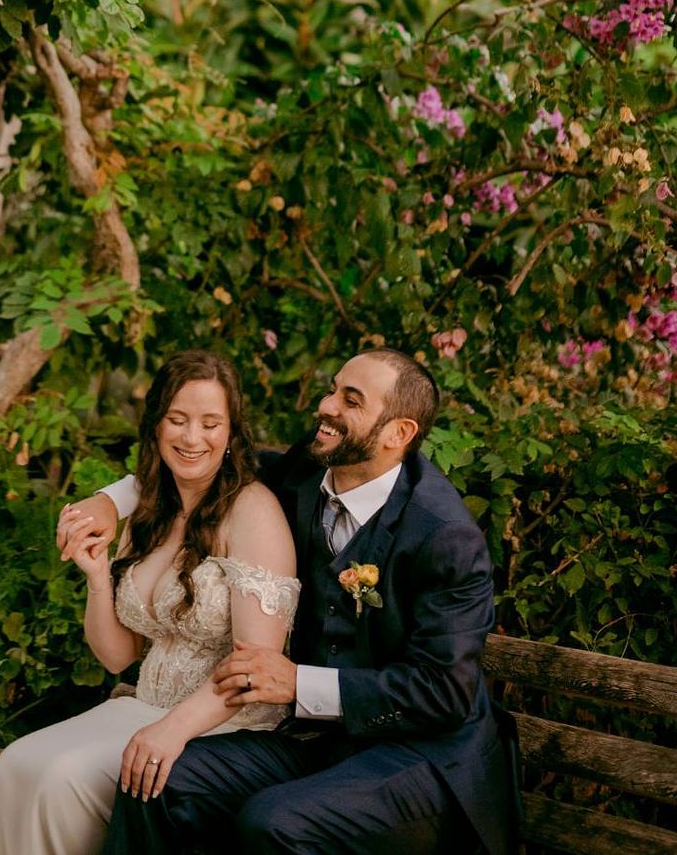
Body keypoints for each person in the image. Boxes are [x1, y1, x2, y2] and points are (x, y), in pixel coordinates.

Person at [65, 348, 517, 855]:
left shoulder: (444, 535)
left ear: (398, 434)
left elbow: (443, 693)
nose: (327, 406)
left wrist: (300, 683)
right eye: (332, 389)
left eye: (351, 400)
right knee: (155, 776)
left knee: (275, 822)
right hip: (319, 744)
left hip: (419, 761)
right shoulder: (309, 470)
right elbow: (204, 458)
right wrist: (111, 499)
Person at [0, 350, 300, 855]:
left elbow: (252, 670)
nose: (192, 438)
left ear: (231, 433)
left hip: (217, 726)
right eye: (178, 420)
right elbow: (118, 657)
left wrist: (172, 730)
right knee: (18, 763)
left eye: (211, 424)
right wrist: (98, 580)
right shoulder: (149, 510)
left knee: (60, 778)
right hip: (140, 706)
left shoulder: (253, 512)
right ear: (156, 424)